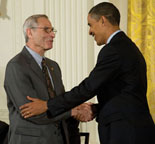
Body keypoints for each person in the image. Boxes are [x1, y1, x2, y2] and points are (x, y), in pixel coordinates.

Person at [20, 2, 155, 144]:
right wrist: (95, 108)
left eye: (90, 25)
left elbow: (89, 87)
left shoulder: (114, 49)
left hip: (126, 133)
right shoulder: (125, 46)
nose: (90, 31)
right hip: (132, 129)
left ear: (103, 20)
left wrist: (47, 105)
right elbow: (123, 95)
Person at [4, 14, 93, 144]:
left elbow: (60, 101)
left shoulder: (53, 66)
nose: (52, 35)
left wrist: (77, 106)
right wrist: (73, 111)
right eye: (46, 30)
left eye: (52, 30)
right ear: (30, 32)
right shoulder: (16, 66)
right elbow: (31, 112)